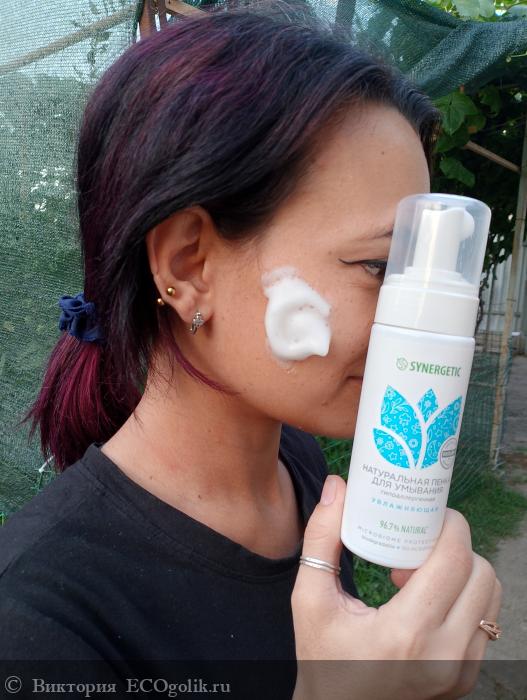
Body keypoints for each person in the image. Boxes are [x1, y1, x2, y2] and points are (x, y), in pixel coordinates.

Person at [0, 3, 501, 699]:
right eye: (382, 266)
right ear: (188, 265)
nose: (411, 316)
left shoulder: (297, 466)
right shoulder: (36, 619)